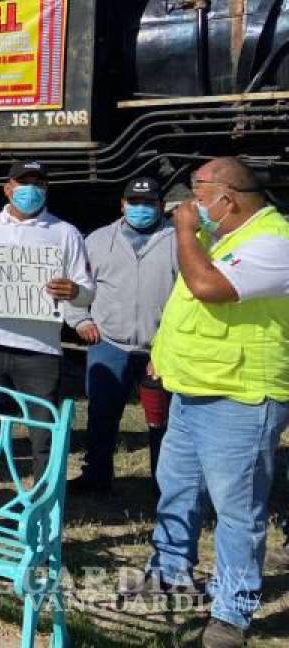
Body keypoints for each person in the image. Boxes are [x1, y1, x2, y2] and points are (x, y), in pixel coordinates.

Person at [136, 158, 289, 648]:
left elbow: (207, 288)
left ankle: (231, 614)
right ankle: (170, 572)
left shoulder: (274, 242)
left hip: (240, 397)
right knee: (176, 486)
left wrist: (183, 231)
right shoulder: (220, 236)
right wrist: (163, 356)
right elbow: (183, 306)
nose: (189, 205)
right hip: (192, 387)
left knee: (236, 510)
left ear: (229, 197)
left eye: (198, 194)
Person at [0, 161, 94, 503]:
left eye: (39, 183)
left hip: (40, 349)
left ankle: (43, 505)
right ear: (8, 188)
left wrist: (74, 291)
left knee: (43, 433)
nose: (32, 189)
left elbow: (87, 288)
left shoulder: (64, 232)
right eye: (24, 182)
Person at [64, 177, 178, 497]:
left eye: (149, 203)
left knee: (163, 421)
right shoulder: (99, 240)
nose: (141, 209)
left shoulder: (179, 240)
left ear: (160, 206)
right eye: (135, 203)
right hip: (109, 343)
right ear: (123, 205)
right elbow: (77, 285)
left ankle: (164, 483)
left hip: (161, 347)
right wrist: (80, 319)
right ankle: (96, 476)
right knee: (101, 414)